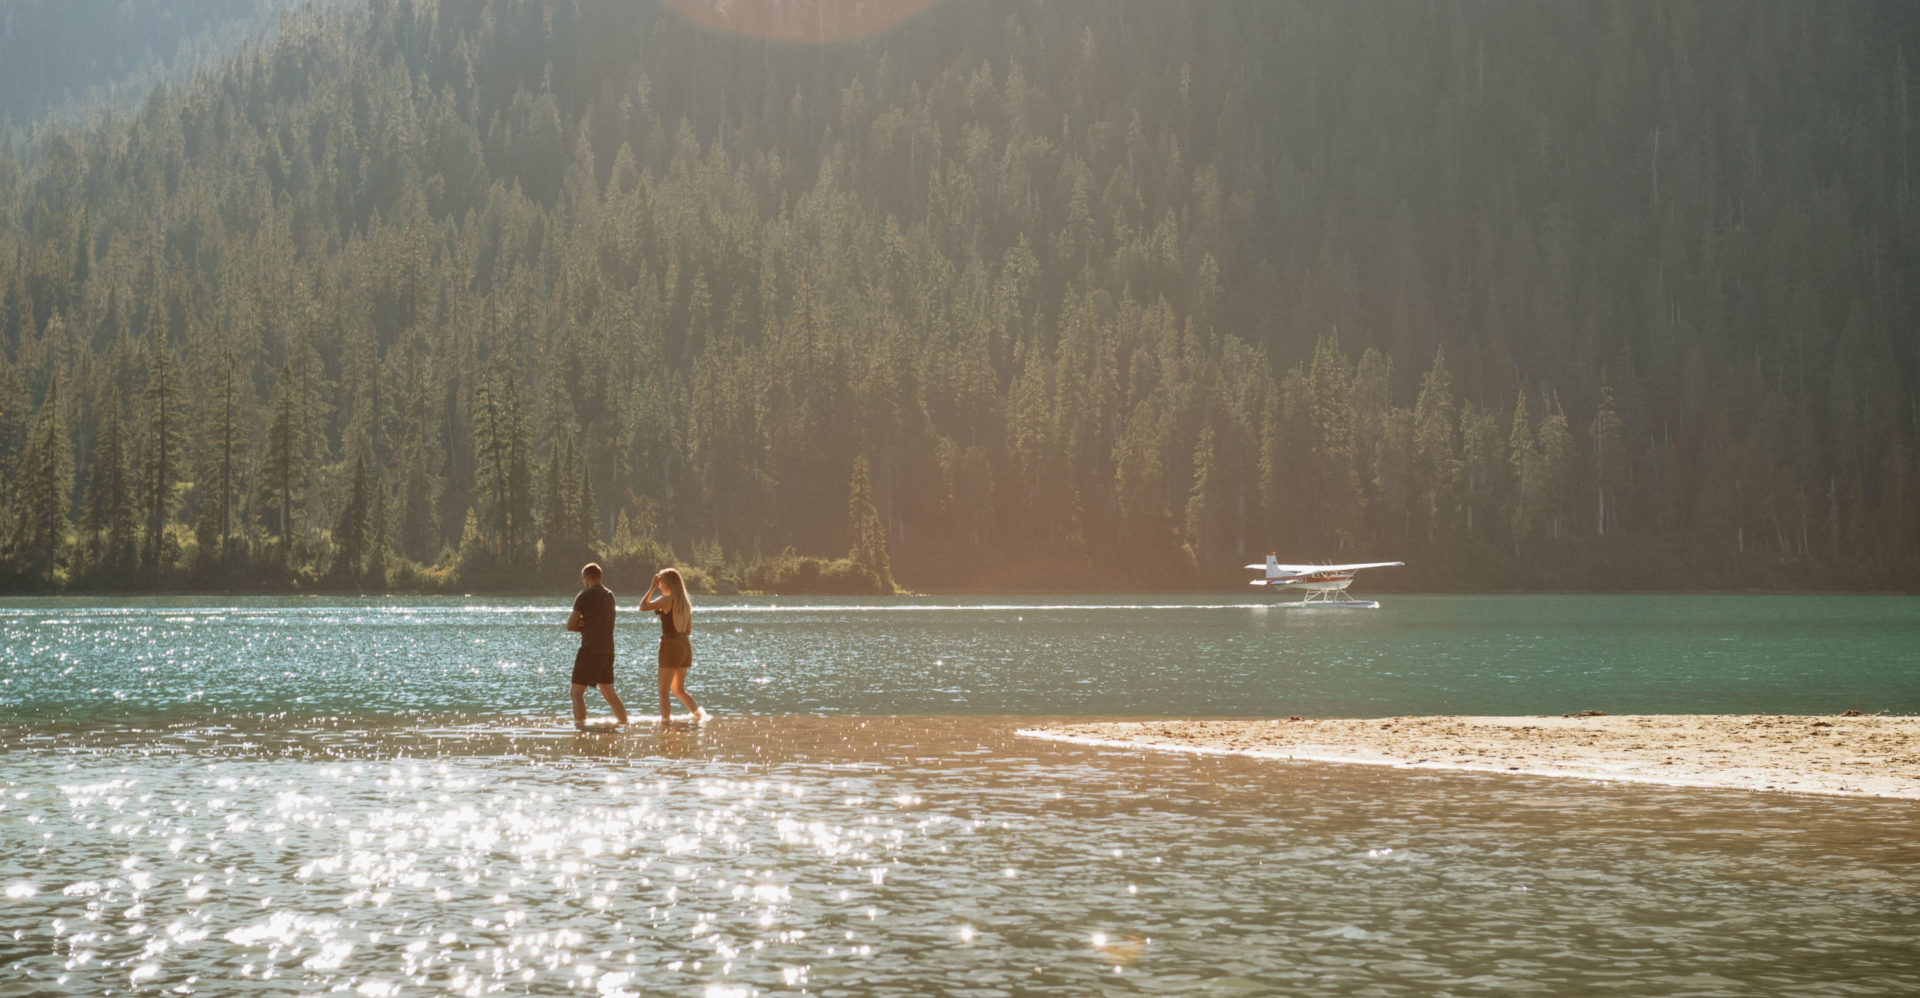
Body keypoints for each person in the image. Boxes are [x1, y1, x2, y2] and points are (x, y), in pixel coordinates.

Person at [566, 562, 628, 730]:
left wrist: (581, 625)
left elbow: (570, 625)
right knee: (609, 693)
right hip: (608, 651)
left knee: (576, 693)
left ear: (586, 579)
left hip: (590, 650)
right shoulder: (610, 595)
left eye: (583, 580)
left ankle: (580, 730)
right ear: (600, 577)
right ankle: (624, 724)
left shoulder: (584, 596)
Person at [639, 567, 701, 724]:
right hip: (685, 646)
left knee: (663, 691)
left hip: (671, 645)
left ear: (668, 583)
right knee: (679, 690)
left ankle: (665, 724)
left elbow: (642, 606)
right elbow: (687, 631)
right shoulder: (686, 604)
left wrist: (651, 587)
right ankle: (700, 716)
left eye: (661, 583)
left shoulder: (667, 599)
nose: (660, 586)